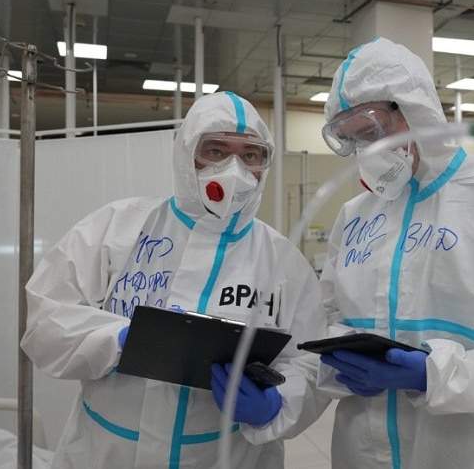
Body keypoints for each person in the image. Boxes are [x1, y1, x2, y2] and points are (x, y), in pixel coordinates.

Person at [20, 92, 327, 469]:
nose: (234, 170)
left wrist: (279, 403)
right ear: (185, 153)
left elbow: (310, 360)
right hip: (107, 453)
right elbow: (45, 321)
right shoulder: (116, 229)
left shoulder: (283, 261)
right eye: (215, 151)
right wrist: (118, 340)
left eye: (250, 155)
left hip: (227, 458)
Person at [317, 37, 474, 469]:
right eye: (351, 140)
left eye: (371, 132)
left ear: (415, 110)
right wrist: (337, 366)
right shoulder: (355, 216)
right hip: (361, 453)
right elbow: (328, 316)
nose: (365, 152)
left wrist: (435, 377)